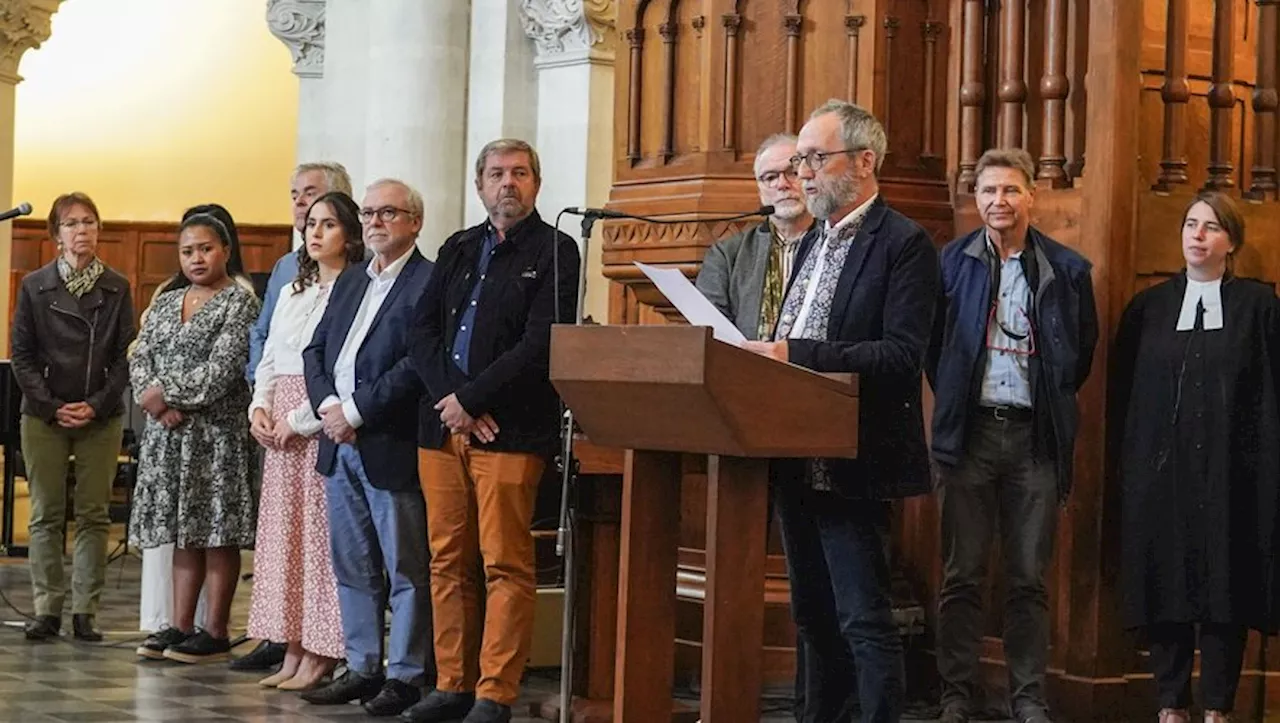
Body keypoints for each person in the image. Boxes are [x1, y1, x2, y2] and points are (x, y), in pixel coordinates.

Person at [741, 100, 939, 723]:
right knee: (811, 615)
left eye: (815, 159)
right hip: (793, 454)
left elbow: (901, 355)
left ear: (864, 161)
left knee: (862, 616)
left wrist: (791, 351)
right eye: (799, 160)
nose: (803, 174)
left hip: (855, 454)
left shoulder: (903, 243)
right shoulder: (809, 243)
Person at [406, 138, 579, 723]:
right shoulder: (457, 247)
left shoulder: (557, 249)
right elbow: (420, 333)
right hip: (443, 429)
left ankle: (494, 692)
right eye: (497, 174)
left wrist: (472, 399)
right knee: (446, 560)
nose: (509, 183)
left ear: (536, 184)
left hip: (510, 430)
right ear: (480, 184)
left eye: (521, 173)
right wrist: (451, 401)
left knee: (505, 563)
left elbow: (539, 343)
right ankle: (451, 683)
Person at [926, 148, 1098, 723]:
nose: (998, 202)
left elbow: (1078, 356)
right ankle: (957, 693)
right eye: (987, 192)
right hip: (968, 438)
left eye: (1009, 191)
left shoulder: (1067, 271)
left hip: (1034, 441)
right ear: (975, 200)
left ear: (1032, 197)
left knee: (1029, 578)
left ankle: (1028, 698)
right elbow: (934, 350)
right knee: (962, 575)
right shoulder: (950, 265)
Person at [1111, 191, 1280, 723]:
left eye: (1210, 227)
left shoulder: (1259, 308)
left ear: (1232, 242)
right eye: (1190, 224)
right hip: (1163, 475)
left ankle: (1217, 708)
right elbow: (1123, 395)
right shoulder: (1150, 308)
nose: (1197, 235)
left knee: (1228, 584)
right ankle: (1171, 703)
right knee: (1165, 581)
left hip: (1234, 475)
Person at [300, 178, 435, 717]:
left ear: (414, 222)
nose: (375, 222)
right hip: (339, 442)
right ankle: (361, 666)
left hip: (388, 441)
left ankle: (405, 674)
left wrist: (356, 412)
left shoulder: (428, 282)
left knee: (405, 568)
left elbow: (415, 365)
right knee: (351, 565)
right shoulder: (353, 279)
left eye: (388, 213)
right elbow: (316, 351)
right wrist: (330, 406)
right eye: (369, 213)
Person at [128, 212, 261, 663]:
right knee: (184, 532)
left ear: (224, 250)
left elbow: (221, 371)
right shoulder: (166, 302)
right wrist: (154, 401)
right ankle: (180, 626)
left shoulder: (239, 303)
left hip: (216, 436)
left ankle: (216, 630)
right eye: (188, 251)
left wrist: (164, 396)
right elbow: (140, 354)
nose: (197, 258)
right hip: (170, 437)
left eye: (205, 248)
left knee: (217, 533)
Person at [246, 191, 365, 690]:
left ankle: (320, 650)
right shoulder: (296, 289)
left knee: (318, 543)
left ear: (349, 235)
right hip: (278, 424)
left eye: (328, 225)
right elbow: (272, 352)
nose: (315, 233)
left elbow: (340, 373)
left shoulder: (354, 290)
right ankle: (291, 645)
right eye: (311, 224)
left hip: (314, 423)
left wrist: (298, 420)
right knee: (284, 542)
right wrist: (258, 406)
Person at [11, 192, 135, 642]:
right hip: (45, 413)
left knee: (93, 514)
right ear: (55, 235)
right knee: (46, 513)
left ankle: (86, 610)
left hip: (98, 414)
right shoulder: (35, 285)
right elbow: (21, 355)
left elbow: (126, 358)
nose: (82, 230)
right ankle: (47, 608)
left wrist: (97, 404)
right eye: (71, 223)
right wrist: (50, 405)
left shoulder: (117, 286)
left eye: (89, 222)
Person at [696, 133, 816, 340]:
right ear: (759, 190)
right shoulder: (727, 256)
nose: (782, 184)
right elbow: (709, 334)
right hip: (746, 369)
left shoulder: (837, 243)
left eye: (792, 173)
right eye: (770, 177)